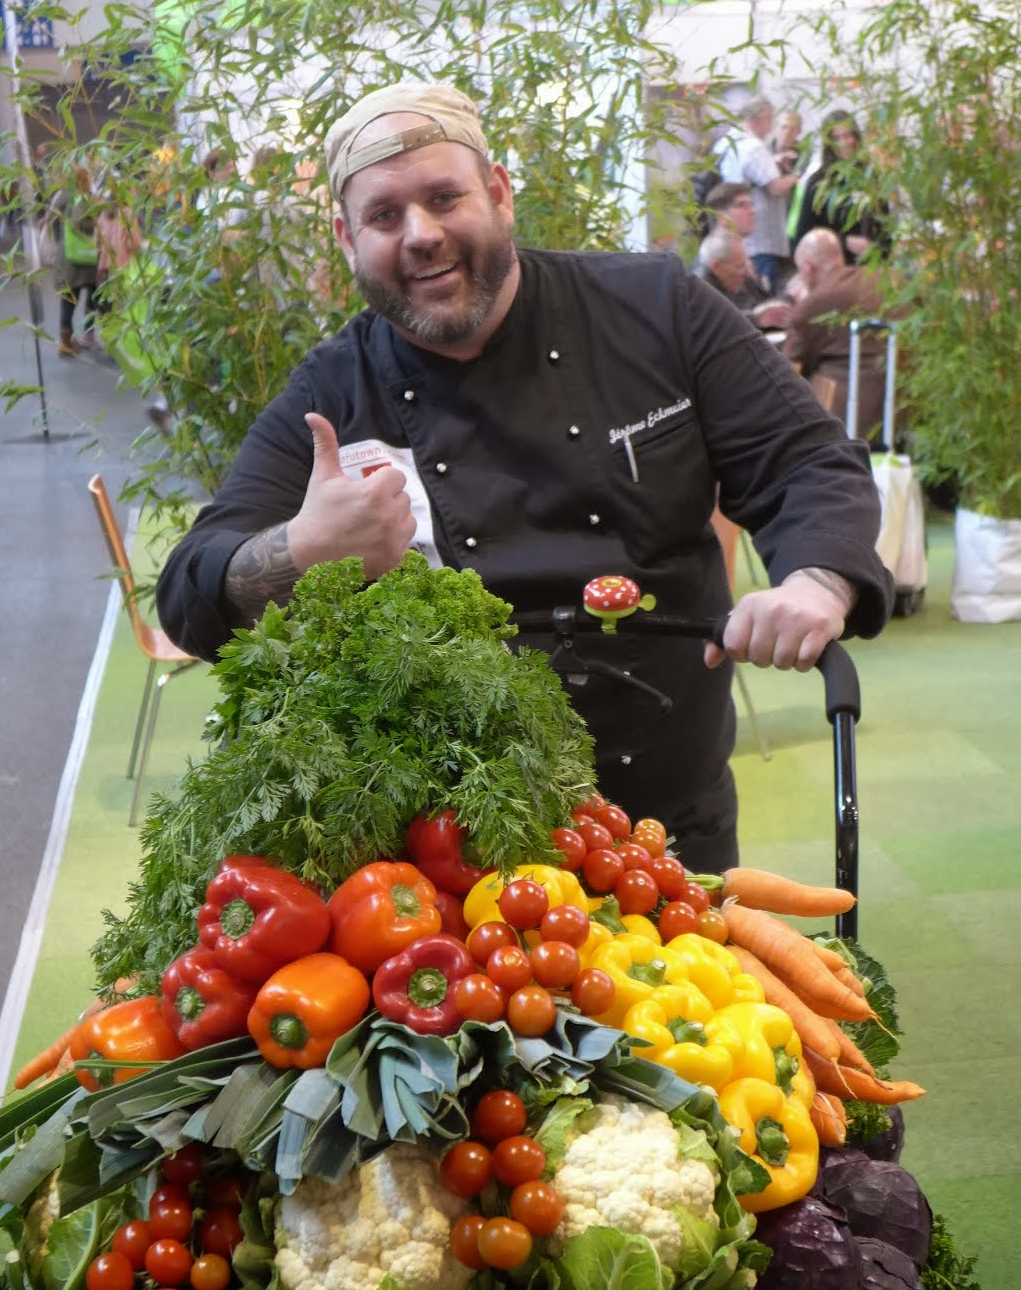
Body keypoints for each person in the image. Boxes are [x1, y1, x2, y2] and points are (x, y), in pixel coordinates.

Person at [155, 81, 893, 872]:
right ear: (345, 237)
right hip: (447, 852)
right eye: (383, 216)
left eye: (445, 197)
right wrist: (300, 551)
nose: (421, 234)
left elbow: (807, 459)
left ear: (499, 192)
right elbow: (188, 594)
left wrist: (815, 583)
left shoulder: (657, 309)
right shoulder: (334, 393)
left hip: (666, 821)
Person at [784, 228, 888, 440]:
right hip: (906, 408)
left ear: (809, 268)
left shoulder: (813, 304)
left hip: (849, 421)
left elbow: (786, 372)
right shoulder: (882, 279)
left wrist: (800, 306)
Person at [715, 97, 800, 294]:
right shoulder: (754, 147)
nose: (771, 129)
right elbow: (775, 188)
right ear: (761, 118)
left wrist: (773, 161)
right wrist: (796, 177)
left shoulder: (726, 143)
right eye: (771, 120)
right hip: (761, 238)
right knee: (763, 293)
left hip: (735, 232)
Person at [790, 110, 890, 265]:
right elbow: (804, 235)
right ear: (828, 143)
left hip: (871, 268)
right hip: (835, 268)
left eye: (848, 135)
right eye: (836, 138)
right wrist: (845, 242)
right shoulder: (818, 183)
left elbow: (884, 225)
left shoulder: (871, 176)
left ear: (856, 137)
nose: (844, 143)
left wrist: (883, 254)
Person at [50, 161, 101, 356]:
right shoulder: (82, 198)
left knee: (68, 298)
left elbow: (52, 219)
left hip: (66, 253)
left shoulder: (61, 196)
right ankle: (88, 335)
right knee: (93, 294)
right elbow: (79, 222)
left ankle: (65, 342)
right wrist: (94, 225)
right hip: (83, 258)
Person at [693, 230, 793, 330]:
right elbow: (713, 323)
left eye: (746, 264)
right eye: (740, 266)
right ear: (716, 266)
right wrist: (754, 318)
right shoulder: (700, 290)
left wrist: (790, 296)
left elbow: (765, 303)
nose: (746, 272)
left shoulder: (742, 277)